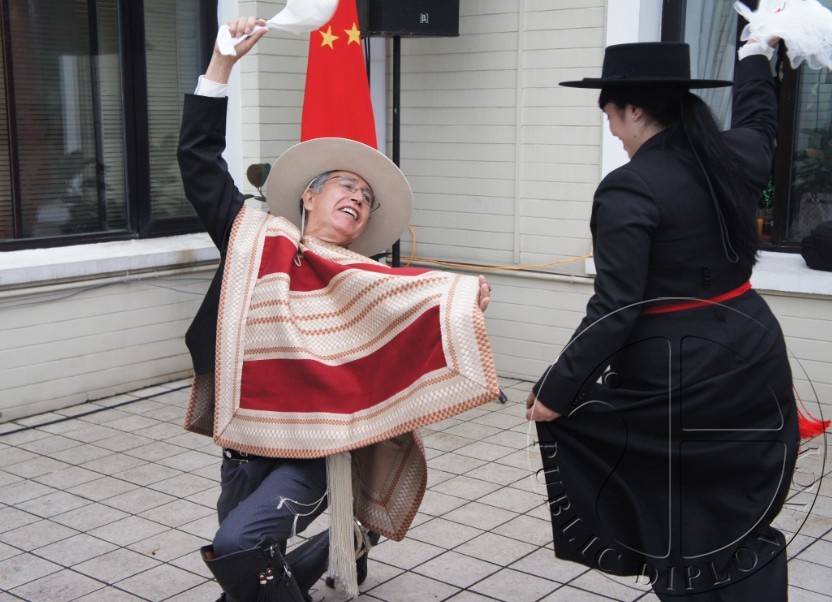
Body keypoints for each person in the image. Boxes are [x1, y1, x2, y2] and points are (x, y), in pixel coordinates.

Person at [177, 17, 492, 602]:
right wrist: (222, 63)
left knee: (238, 545)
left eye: (367, 198)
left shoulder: (364, 279)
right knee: (246, 570)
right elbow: (198, 160)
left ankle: (347, 537)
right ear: (309, 194)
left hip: (321, 449)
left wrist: (462, 296)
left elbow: (421, 297)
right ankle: (347, 541)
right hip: (245, 442)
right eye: (346, 185)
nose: (358, 198)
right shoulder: (251, 238)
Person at [526, 37, 798, 601]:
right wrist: (754, 54)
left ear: (635, 109)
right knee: (736, 512)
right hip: (754, 355)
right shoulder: (735, 155)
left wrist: (556, 390)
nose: (612, 131)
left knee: (681, 519)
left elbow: (615, 308)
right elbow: (760, 120)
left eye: (610, 115)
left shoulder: (629, 186)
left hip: (681, 377)